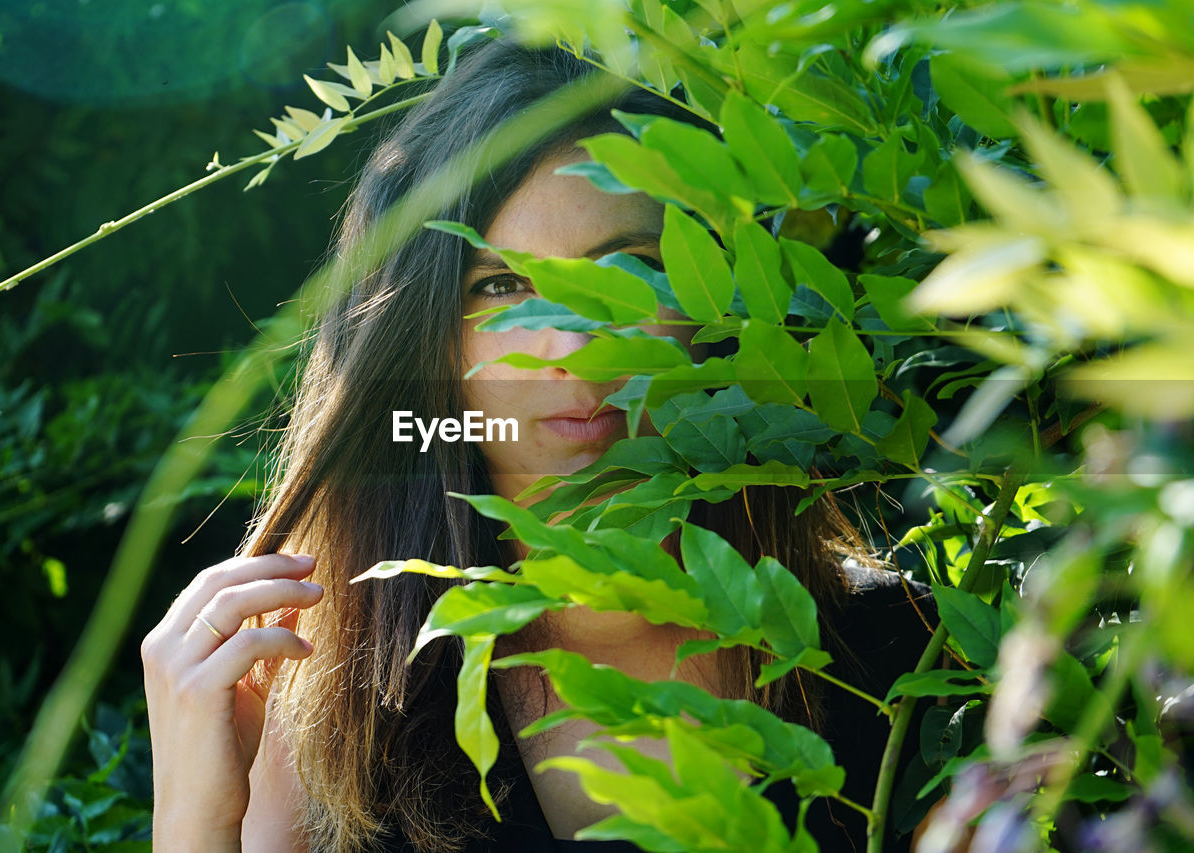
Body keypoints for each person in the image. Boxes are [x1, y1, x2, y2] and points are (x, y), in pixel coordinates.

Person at [141, 37, 937, 853]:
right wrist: (193, 822)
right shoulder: (327, 707)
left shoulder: (905, 663)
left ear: (718, 306)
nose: (570, 346)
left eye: (627, 271)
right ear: (427, 347)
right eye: (499, 286)